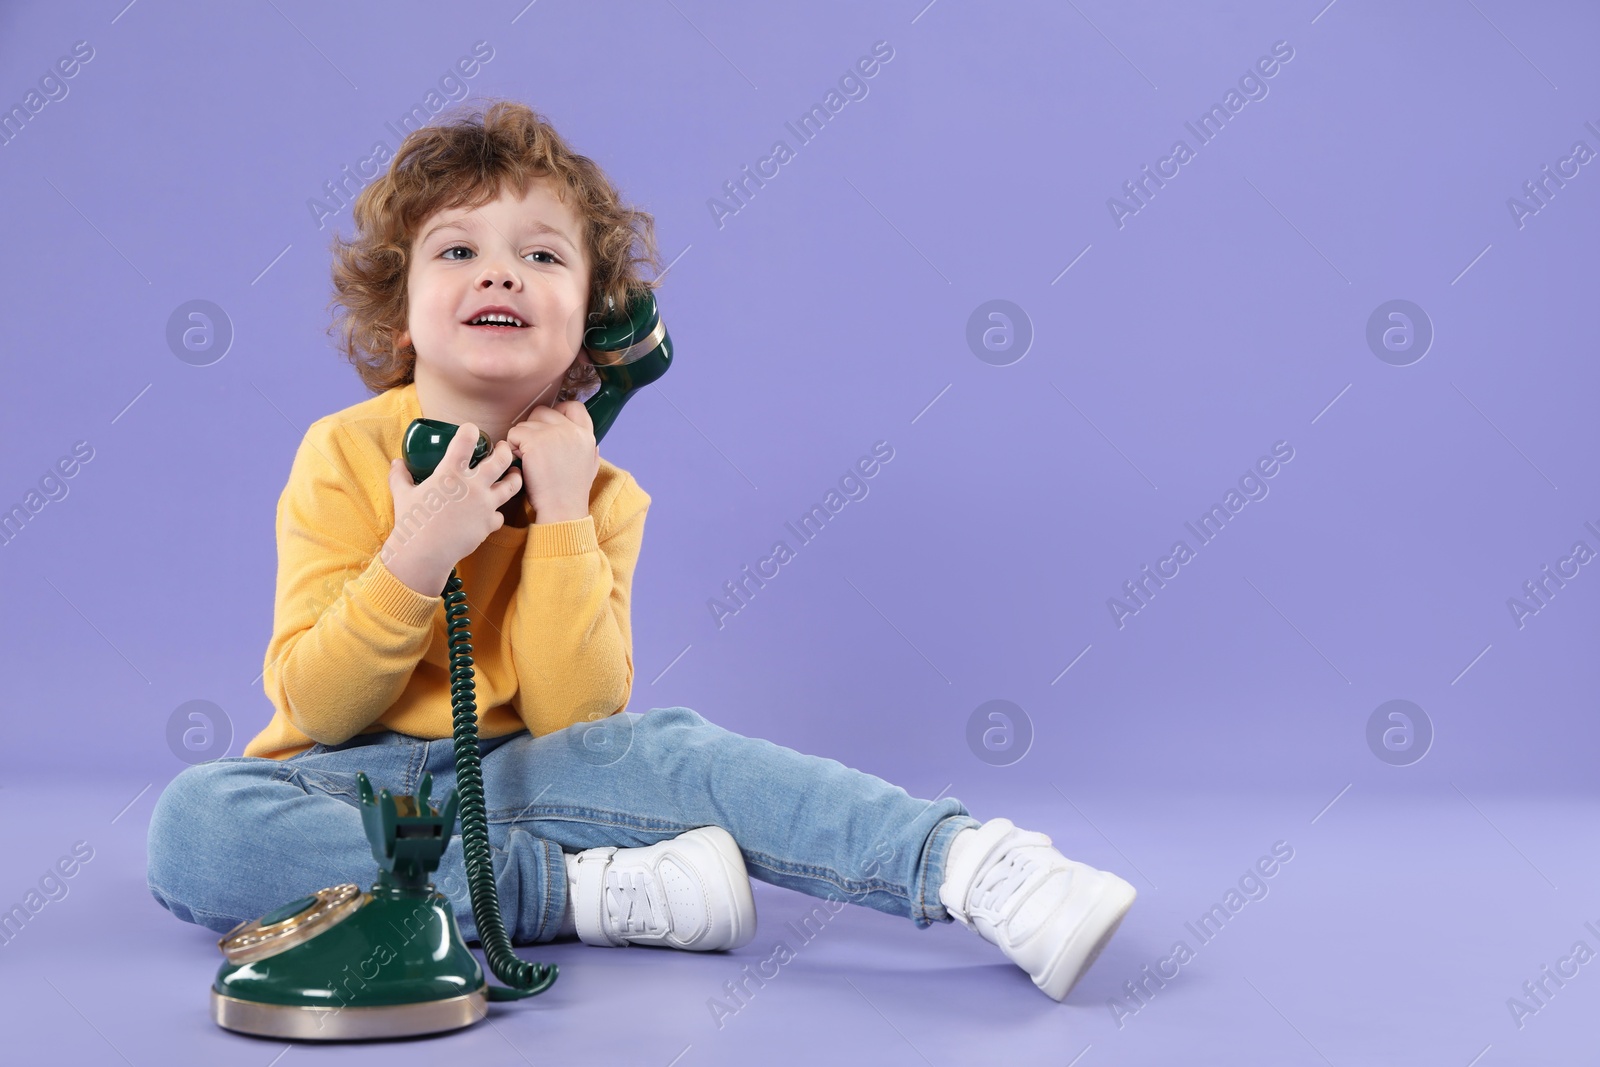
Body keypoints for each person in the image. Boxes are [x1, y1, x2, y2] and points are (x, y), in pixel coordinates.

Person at [145, 99, 1135, 1002]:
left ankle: (968, 864)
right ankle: (577, 892)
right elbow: (316, 707)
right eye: (456, 251)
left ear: (597, 329)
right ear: (398, 311)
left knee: (674, 750)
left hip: (527, 770)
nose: (498, 271)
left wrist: (564, 512)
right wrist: (414, 554)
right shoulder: (343, 451)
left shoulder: (602, 494)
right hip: (348, 787)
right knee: (197, 825)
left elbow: (579, 715)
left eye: (542, 257)